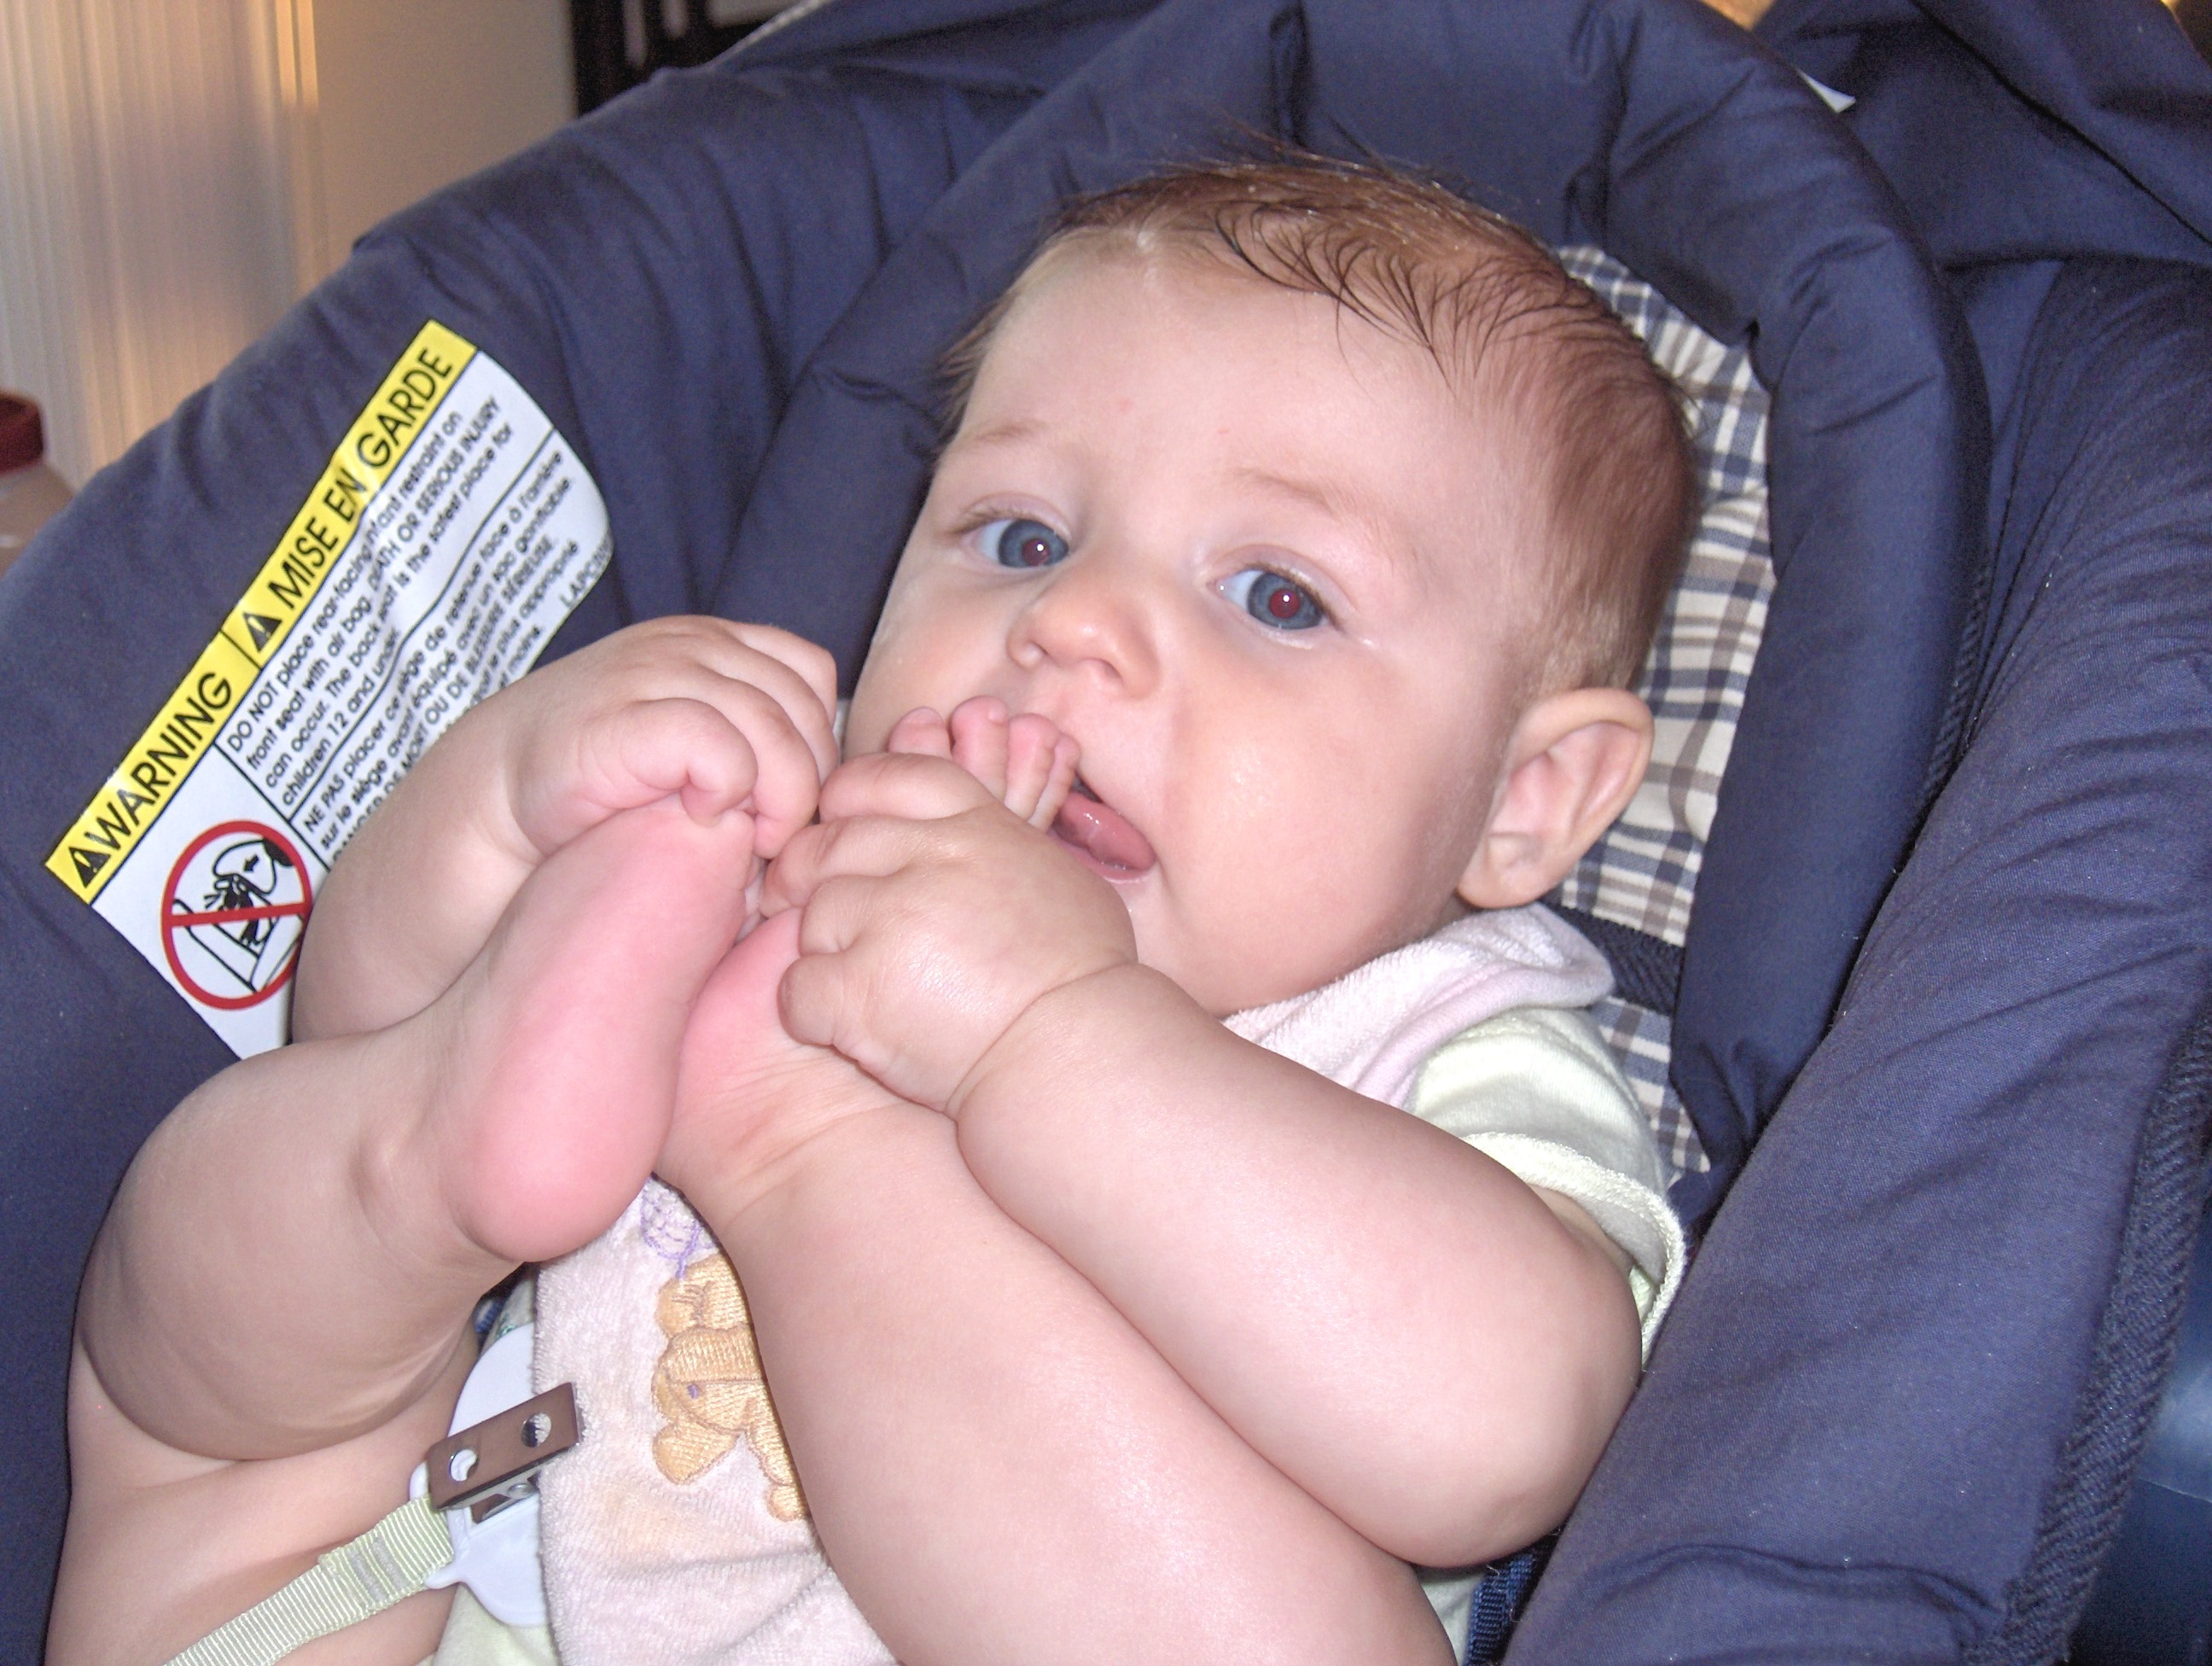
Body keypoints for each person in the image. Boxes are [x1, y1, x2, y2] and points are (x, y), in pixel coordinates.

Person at [51, 158, 1697, 1666]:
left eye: (1279, 595)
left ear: (1524, 799)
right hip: (406, 1605)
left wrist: (1043, 1032)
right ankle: (442, 1132)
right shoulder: (783, 822)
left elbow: (1494, 1433)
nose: (1073, 622)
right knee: (215, 1322)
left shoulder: (1444, 1042)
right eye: (1022, 535)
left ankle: (781, 1135)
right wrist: (503, 801)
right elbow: (350, 1002)